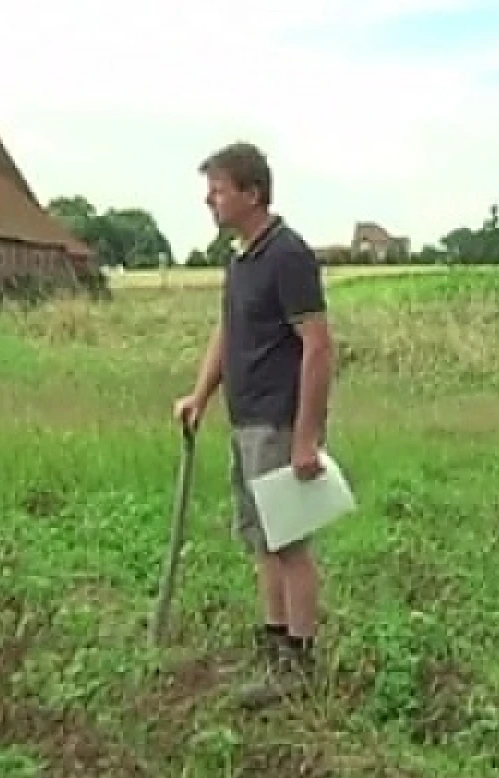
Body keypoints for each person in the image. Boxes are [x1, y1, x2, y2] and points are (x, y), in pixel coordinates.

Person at [172, 142, 335, 710]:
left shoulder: (289, 256)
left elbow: (317, 347)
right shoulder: (241, 260)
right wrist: (200, 394)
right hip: (245, 421)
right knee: (262, 543)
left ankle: (301, 661)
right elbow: (228, 330)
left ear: (252, 192)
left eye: (218, 190)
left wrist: (306, 436)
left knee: (289, 545)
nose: (209, 201)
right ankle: (274, 645)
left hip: (278, 422)